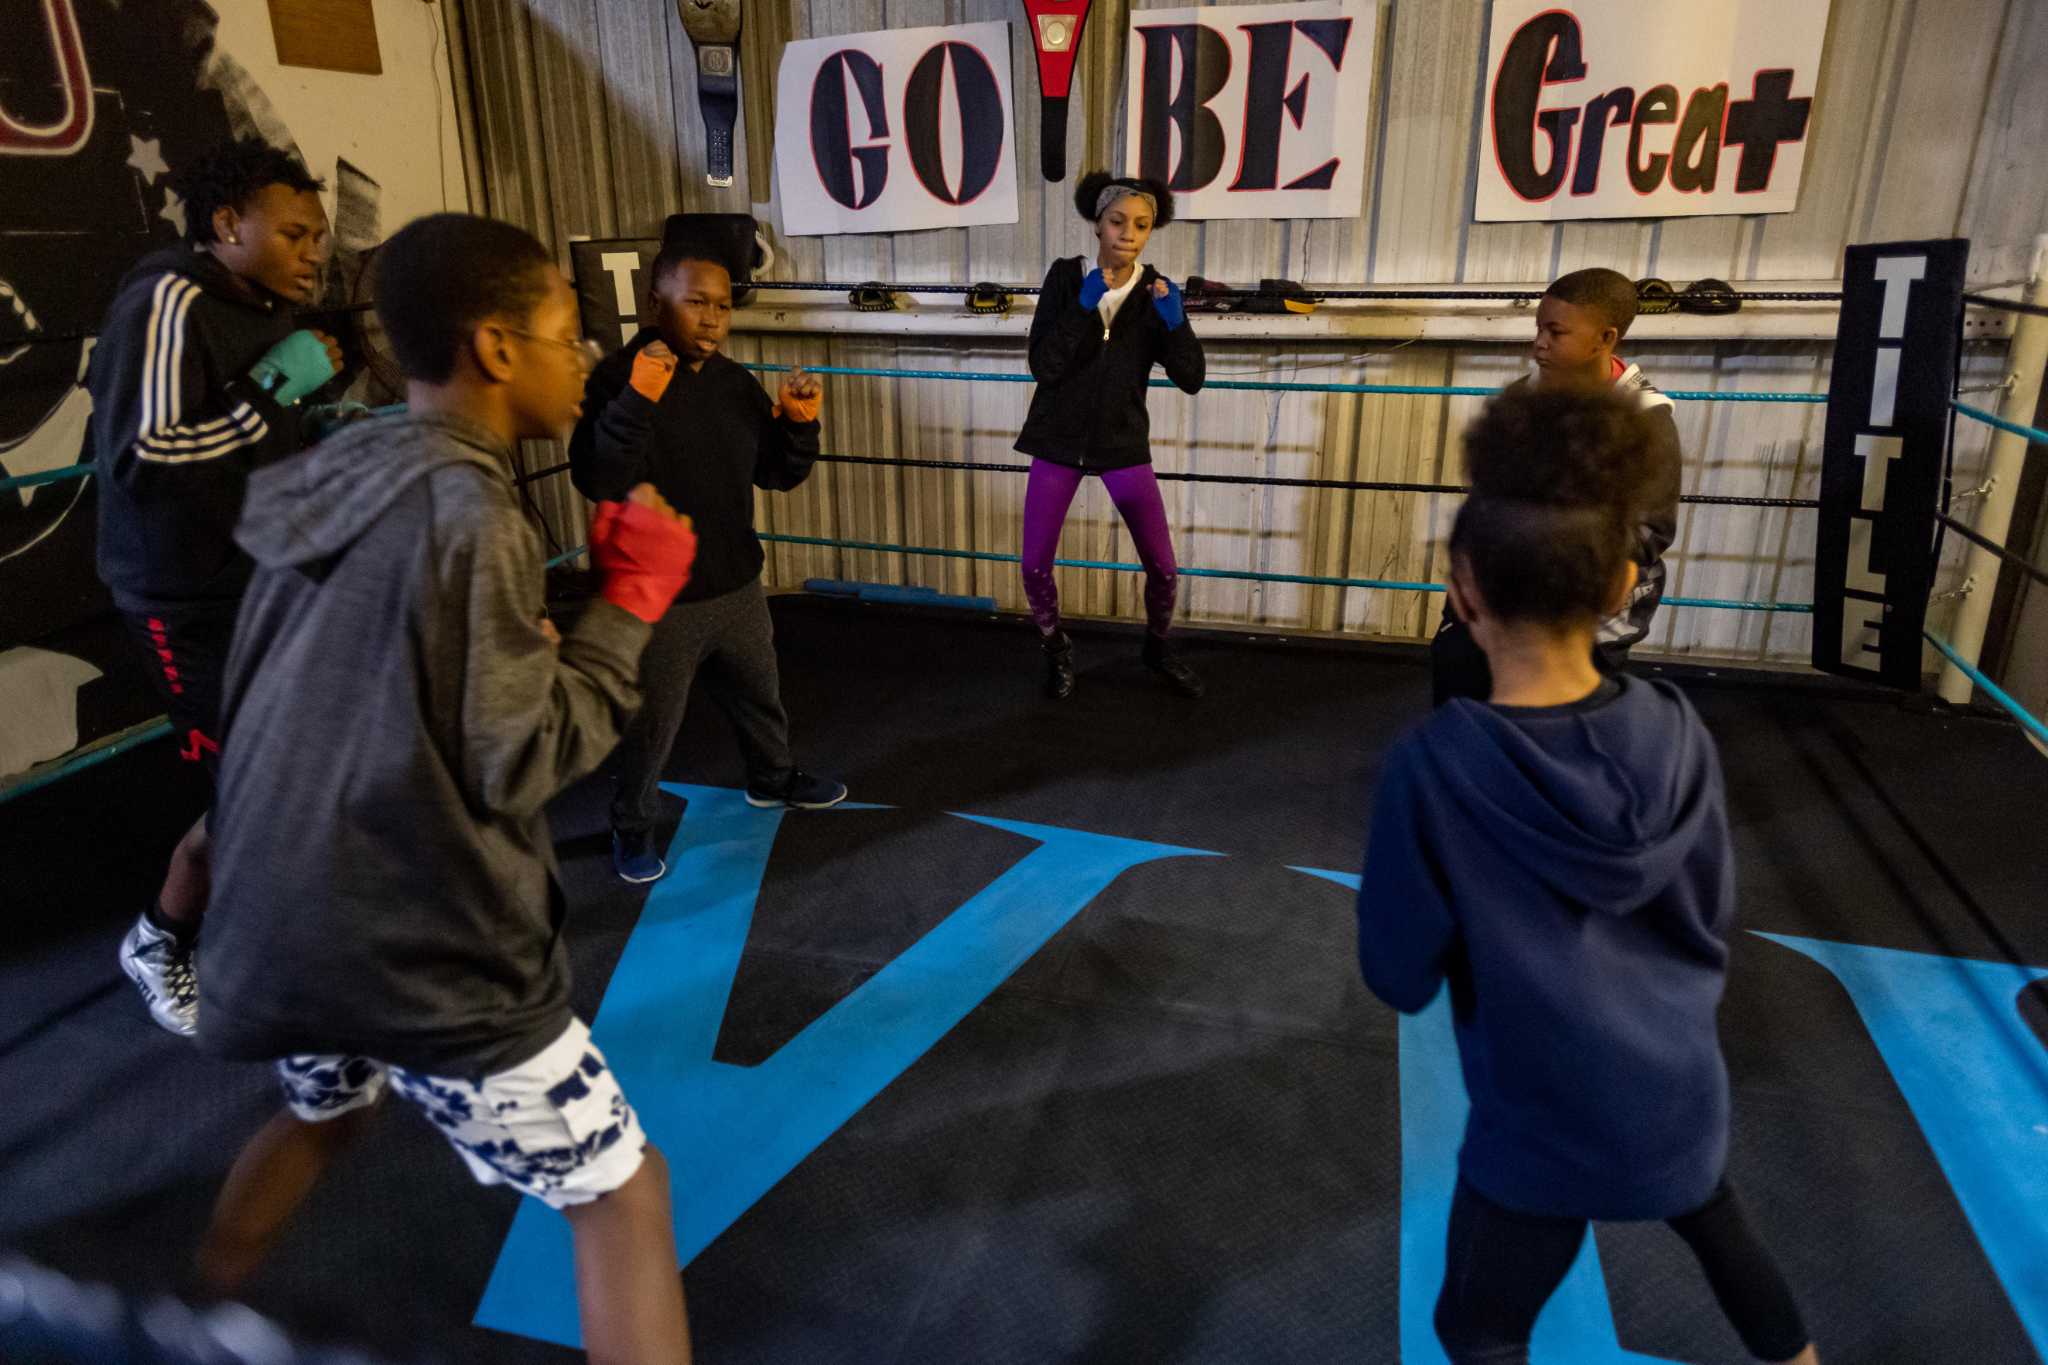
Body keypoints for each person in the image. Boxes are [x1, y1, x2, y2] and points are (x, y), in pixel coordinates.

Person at [194, 213, 701, 1364]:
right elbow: (522, 760)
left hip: (280, 905)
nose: (585, 362)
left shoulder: (341, 461)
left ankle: (204, 1296)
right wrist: (628, 602)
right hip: (415, 944)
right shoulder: (474, 512)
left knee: (330, 1106)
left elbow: (315, 666)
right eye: (568, 337)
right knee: (623, 1196)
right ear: (497, 349)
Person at [1356, 387, 1816, 1365]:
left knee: (1477, 1327)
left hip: (1539, 1123)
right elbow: (1710, 911)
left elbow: (1397, 973)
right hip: (1678, 1093)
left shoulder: (1435, 764)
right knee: (1731, 1254)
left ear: (1462, 590)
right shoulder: (1677, 730)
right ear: (1616, 588)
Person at [89, 137, 343, 1035]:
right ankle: (161, 939)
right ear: (228, 224)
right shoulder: (168, 298)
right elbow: (143, 455)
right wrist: (275, 394)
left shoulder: (269, 308)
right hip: (182, 597)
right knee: (249, 791)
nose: (314, 250)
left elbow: (260, 444)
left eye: (318, 234)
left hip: (264, 577)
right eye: (295, 232)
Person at [570, 233, 844, 886]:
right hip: (657, 600)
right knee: (649, 729)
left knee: (760, 699)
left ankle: (771, 779)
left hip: (736, 582)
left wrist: (799, 427)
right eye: (697, 302)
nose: (714, 317)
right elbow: (597, 476)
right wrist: (636, 400)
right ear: (655, 301)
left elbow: (775, 473)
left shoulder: (732, 382)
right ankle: (630, 826)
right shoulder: (615, 379)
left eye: (723, 305)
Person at [1430, 266, 1681, 705]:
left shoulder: (1645, 417)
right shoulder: (1522, 397)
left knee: (1569, 711)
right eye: (1538, 328)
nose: (1539, 343)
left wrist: (1560, 555)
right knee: (1458, 675)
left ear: (1605, 339)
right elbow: (1486, 496)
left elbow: (1651, 530)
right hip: (1506, 588)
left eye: (1556, 332)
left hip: (1587, 603)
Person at [1015, 170, 1206, 701]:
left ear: (1150, 232)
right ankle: (1056, 648)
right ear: (1097, 224)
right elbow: (1043, 366)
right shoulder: (1065, 277)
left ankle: (1158, 648)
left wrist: (1176, 322)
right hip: (1058, 439)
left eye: (1141, 225)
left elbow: (1191, 379)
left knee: (1163, 569)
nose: (1129, 233)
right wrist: (1081, 306)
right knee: (1034, 563)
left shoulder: (1156, 290)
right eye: (1118, 221)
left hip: (1122, 443)